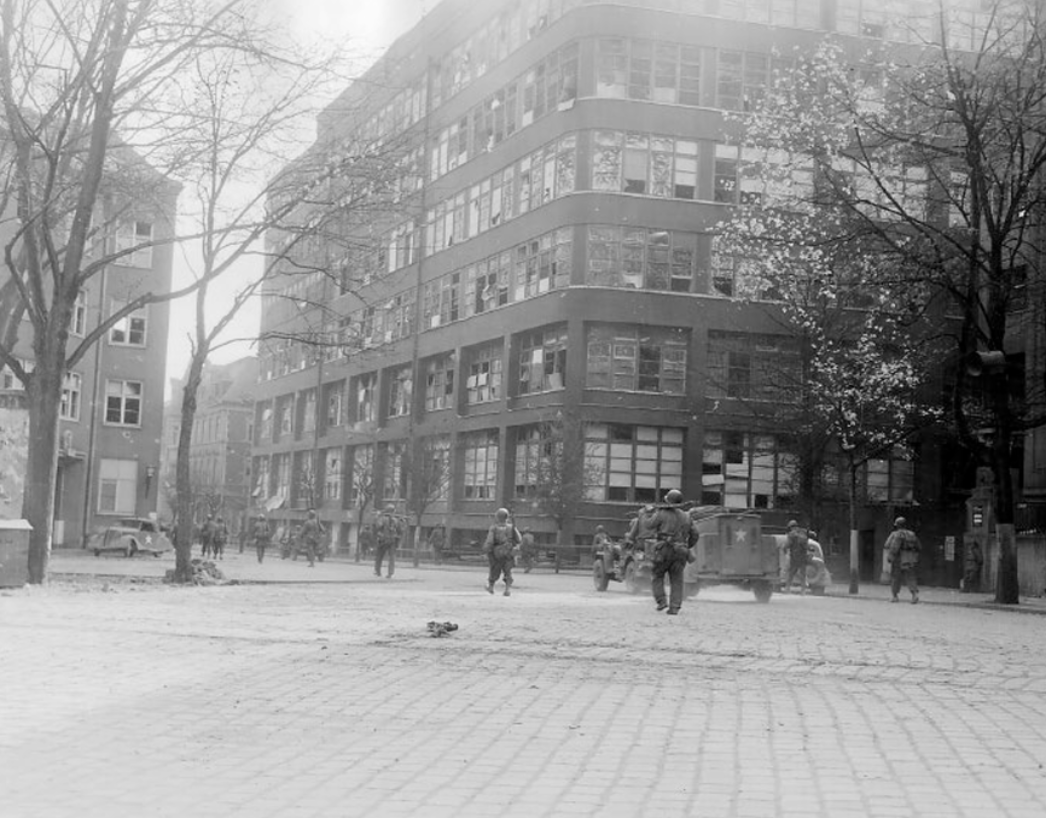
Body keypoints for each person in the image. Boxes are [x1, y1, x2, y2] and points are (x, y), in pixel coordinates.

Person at [651, 489, 693, 615]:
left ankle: (661, 601)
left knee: (657, 575)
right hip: (681, 550)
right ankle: (674, 607)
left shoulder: (661, 513)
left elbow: (649, 525)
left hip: (664, 549)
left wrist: (647, 514)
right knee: (677, 579)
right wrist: (687, 545)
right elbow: (695, 534)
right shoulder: (687, 516)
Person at [483, 508, 520, 596]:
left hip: (497, 553)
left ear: (497, 517)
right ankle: (507, 589)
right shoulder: (511, 527)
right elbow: (518, 539)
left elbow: (490, 541)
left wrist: (486, 549)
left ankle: (491, 587)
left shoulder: (494, 528)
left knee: (494, 569)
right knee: (508, 571)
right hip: (508, 552)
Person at [886, 516, 921, 604]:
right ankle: (914, 595)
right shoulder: (912, 534)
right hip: (910, 558)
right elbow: (919, 546)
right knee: (910, 577)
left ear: (897, 525)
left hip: (899, 558)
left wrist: (890, 557)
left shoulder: (897, 534)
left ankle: (895, 596)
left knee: (895, 577)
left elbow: (893, 547)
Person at [374, 504, 403, 578]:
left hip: (383, 540)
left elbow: (378, 526)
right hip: (392, 540)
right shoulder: (396, 520)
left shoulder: (382, 519)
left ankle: (378, 571)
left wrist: (377, 517)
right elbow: (400, 531)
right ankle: (390, 573)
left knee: (379, 556)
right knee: (391, 557)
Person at [783, 519, 810, 594]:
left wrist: (784, 549)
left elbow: (788, 544)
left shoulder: (791, 534)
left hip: (794, 556)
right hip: (803, 556)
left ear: (790, 527)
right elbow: (807, 544)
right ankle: (803, 590)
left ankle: (787, 588)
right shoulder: (803, 532)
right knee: (803, 574)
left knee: (791, 573)